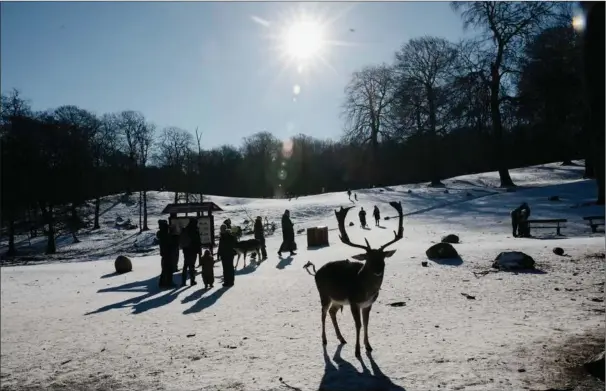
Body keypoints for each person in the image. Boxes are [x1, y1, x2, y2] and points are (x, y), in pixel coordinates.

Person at [180, 218, 202, 287]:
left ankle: (183, 281)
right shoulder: (195, 230)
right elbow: (198, 241)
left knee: (185, 265)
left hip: (186, 250)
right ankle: (192, 281)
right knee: (192, 265)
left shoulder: (186, 229)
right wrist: (199, 251)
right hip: (193, 251)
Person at [156, 220, 175, 289]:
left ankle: (162, 282)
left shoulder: (161, 233)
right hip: (168, 252)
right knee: (169, 268)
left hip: (164, 252)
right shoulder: (165, 233)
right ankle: (169, 282)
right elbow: (169, 238)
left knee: (164, 268)